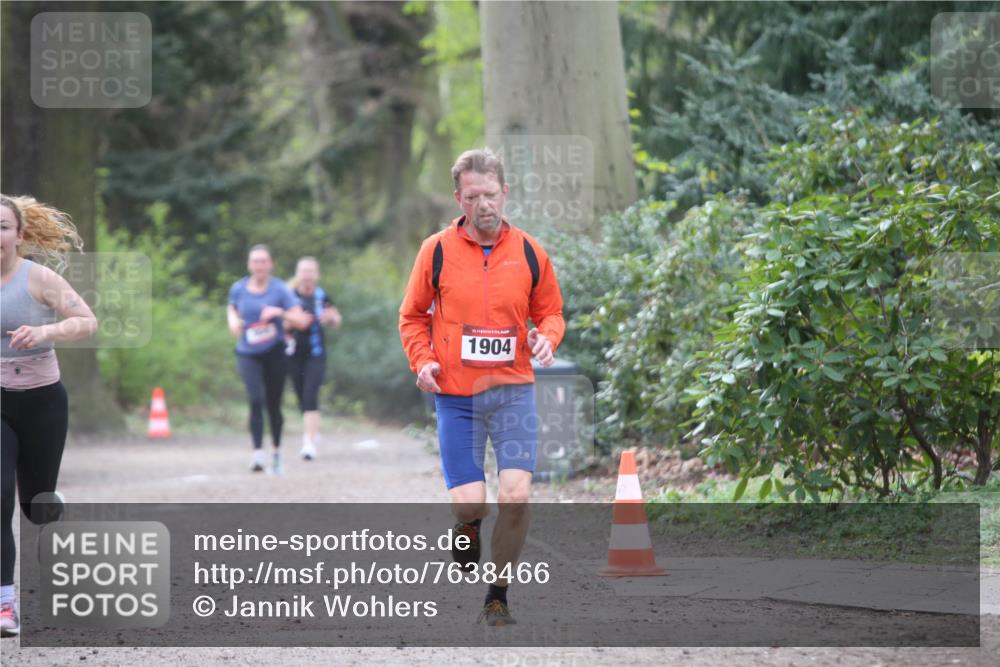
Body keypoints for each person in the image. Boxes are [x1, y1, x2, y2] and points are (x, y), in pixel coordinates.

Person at [398, 148, 564, 626]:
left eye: (491, 194)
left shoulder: (530, 251)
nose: (484, 204)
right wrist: (424, 360)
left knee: (516, 495)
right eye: (473, 196)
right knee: (471, 501)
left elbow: (550, 312)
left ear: (505, 192)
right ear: (459, 198)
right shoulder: (435, 251)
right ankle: (468, 524)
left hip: (512, 390)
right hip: (456, 396)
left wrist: (546, 340)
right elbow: (411, 316)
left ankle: (498, 595)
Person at [1, 195, 98, 637]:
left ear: (19, 235)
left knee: (37, 507)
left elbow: (86, 321)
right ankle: (5, 604)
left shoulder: (37, 278)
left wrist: (45, 330)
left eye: (3, 227)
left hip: (42, 402)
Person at [227, 245, 303, 474]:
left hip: (274, 352)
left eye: (263, 261)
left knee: (273, 404)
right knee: (255, 398)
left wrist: (278, 313)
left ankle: (277, 452)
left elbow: (299, 319)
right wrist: (233, 321)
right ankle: (258, 453)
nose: (259, 265)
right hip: (247, 352)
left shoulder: (280, 290)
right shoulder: (238, 289)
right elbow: (232, 309)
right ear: (249, 265)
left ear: (270, 265)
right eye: (255, 261)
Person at [284, 257, 341, 460]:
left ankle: (308, 443)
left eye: (311, 271)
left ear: (316, 274)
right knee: (301, 395)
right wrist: (293, 322)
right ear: (298, 274)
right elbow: (278, 325)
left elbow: (336, 319)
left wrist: (330, 318)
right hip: (292, 354)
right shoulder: (288, 296)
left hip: (316, 354)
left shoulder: (321, 296)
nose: (307, 275)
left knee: (310, 394)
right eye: (303, 271)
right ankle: (312, 430)